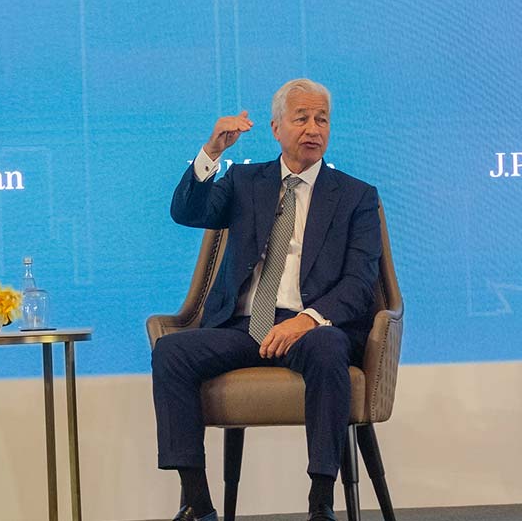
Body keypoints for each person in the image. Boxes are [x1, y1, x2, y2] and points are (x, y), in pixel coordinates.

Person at [152, 78, 383, 521]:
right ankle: (197, 503)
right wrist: (212, 152)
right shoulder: (243, 181)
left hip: (311, 328)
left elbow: (359, 282)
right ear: (277, 128)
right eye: (302, 118)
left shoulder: (355, 196)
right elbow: (187, 212)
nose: (313, 128)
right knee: (172, 352)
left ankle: (320, 503)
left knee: (330, 346)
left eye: (322, 119)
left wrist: (310, 319)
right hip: (244, 326)